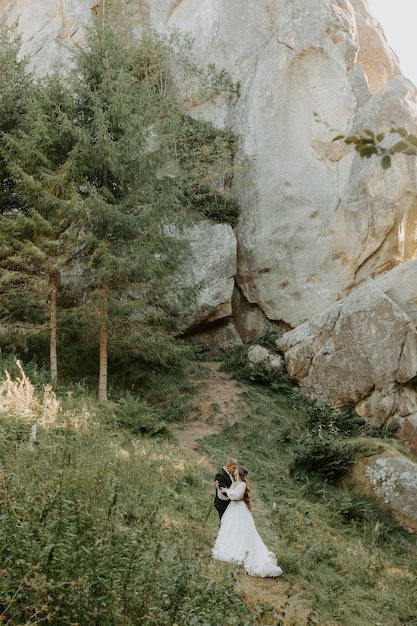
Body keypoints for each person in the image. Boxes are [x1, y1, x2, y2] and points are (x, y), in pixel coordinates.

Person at [212, 466, 283, 578]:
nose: (234, 471)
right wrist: (219, 489)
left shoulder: (243, 485)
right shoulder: (234, 483)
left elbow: (237, 496)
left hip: (240, 509)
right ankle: (229, 547)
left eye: (236, 470)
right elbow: (227, 496)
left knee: (240, 529)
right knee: (230, 528)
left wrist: (227, 490)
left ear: (239, 473)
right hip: (232, 508)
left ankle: (242, 551)